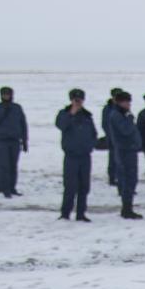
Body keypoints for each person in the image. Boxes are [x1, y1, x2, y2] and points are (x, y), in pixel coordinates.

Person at [55, 88, 96, 222]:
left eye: (80, 100)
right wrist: (71, 114)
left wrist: (90, 145)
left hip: (85, 156)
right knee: (70, 186)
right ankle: (65, 213)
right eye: (75, 100)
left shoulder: (87, 116)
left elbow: (93, 133)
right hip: (71, 156)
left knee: (84, 186)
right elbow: (61, 125)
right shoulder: (64, 113)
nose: (78, 102)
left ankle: (81, 213)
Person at [106, 91, 143, 220]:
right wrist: (129, 118)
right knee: (127, 179)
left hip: (130, 150)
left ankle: (128, 207)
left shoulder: (123, 114)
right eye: (126, 102)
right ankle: (126, 208)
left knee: (131, 179)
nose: (128, 104)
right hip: (124, 151)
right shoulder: (117, 115)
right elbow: (126, 130)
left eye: (129, 102)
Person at [0, 85, 28, 198]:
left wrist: (25, 141)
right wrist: (3, 111)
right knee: (3, 166)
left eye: (8, 94)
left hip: (15, 141)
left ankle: (12, 188)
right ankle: (5, 189)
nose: (6, 96)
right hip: (1, 141)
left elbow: (23, 124)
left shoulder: (17, 108)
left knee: (13, 165)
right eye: (4, 94)